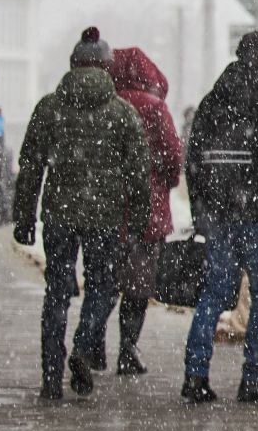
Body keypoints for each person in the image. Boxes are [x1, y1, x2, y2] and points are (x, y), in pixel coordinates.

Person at [12, 27, 150, 400]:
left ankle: (51, 376)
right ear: (106, 67)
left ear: (72, 65)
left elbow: (30, 167)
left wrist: (24, 217)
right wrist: (138, 223)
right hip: (104, 219)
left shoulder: (49, 108)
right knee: (102, 286)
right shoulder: (123, 113)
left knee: (56, 292)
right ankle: (84, 343)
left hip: (58, 215)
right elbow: (139, 173)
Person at [182, 30, 258, 404]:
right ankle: (255, 378)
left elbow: (194, 163)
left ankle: (195, 375)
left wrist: (202, 210)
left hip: (219, 216)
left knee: (214, 294)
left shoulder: (212, 102)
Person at [77, 46, 183, 377]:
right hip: (147, 211)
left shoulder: (104, 105)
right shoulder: (153, 107)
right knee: (138, 286)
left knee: (104, 282)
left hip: (108, 208)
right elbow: (172, 154)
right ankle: (127, 351)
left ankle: (91, 345)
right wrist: (166, 181)